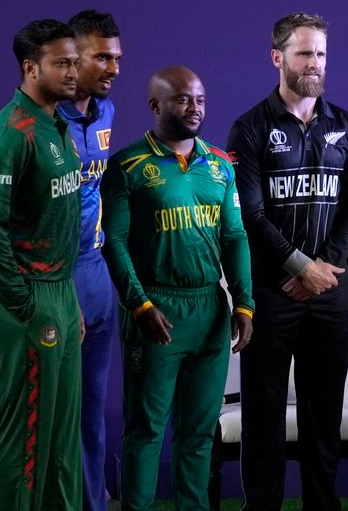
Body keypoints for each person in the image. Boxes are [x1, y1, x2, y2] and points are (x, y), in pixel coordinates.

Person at [228, 13, 348, 510]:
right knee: (263, 416)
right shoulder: (249, 129)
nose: (314, 64)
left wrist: (320, 270)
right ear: (278, 58)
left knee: (322, 413)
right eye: (304, 53)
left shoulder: (347, 126)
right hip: (271, 293)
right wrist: (295, 266)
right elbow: (250, 214)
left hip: (329, 293)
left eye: (321, 54)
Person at [101, 66, 254, 511]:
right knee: (146, 429)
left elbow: (235, 237)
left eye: (201, 99)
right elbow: (114, 241)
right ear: (155, 105)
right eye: (183, 99)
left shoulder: (221, 164)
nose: (194, 108)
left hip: (209, 308)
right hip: (156, 307)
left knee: (199, 430)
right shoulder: (129, 165)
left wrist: (243, 303)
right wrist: (139, 303)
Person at [0, 19, 84, 511]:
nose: (74, 71)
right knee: (29, 441)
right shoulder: (12, 131)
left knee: (60, 440)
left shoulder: (55, 122)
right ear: (30, 67)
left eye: (76, 62)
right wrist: (23, 302)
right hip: (23, 293)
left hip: (58, 288)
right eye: (62, 63)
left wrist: (67, 299)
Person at [60, 9, 122, 511]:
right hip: (56, 277)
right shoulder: (38, 119)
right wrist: (51, 285)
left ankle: (98, 500)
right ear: (71, 60)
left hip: (97, 272)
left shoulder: (105, 112)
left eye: (116, 58)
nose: (113, 68)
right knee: (61, 414)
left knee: (93, 412)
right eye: (101, 57)